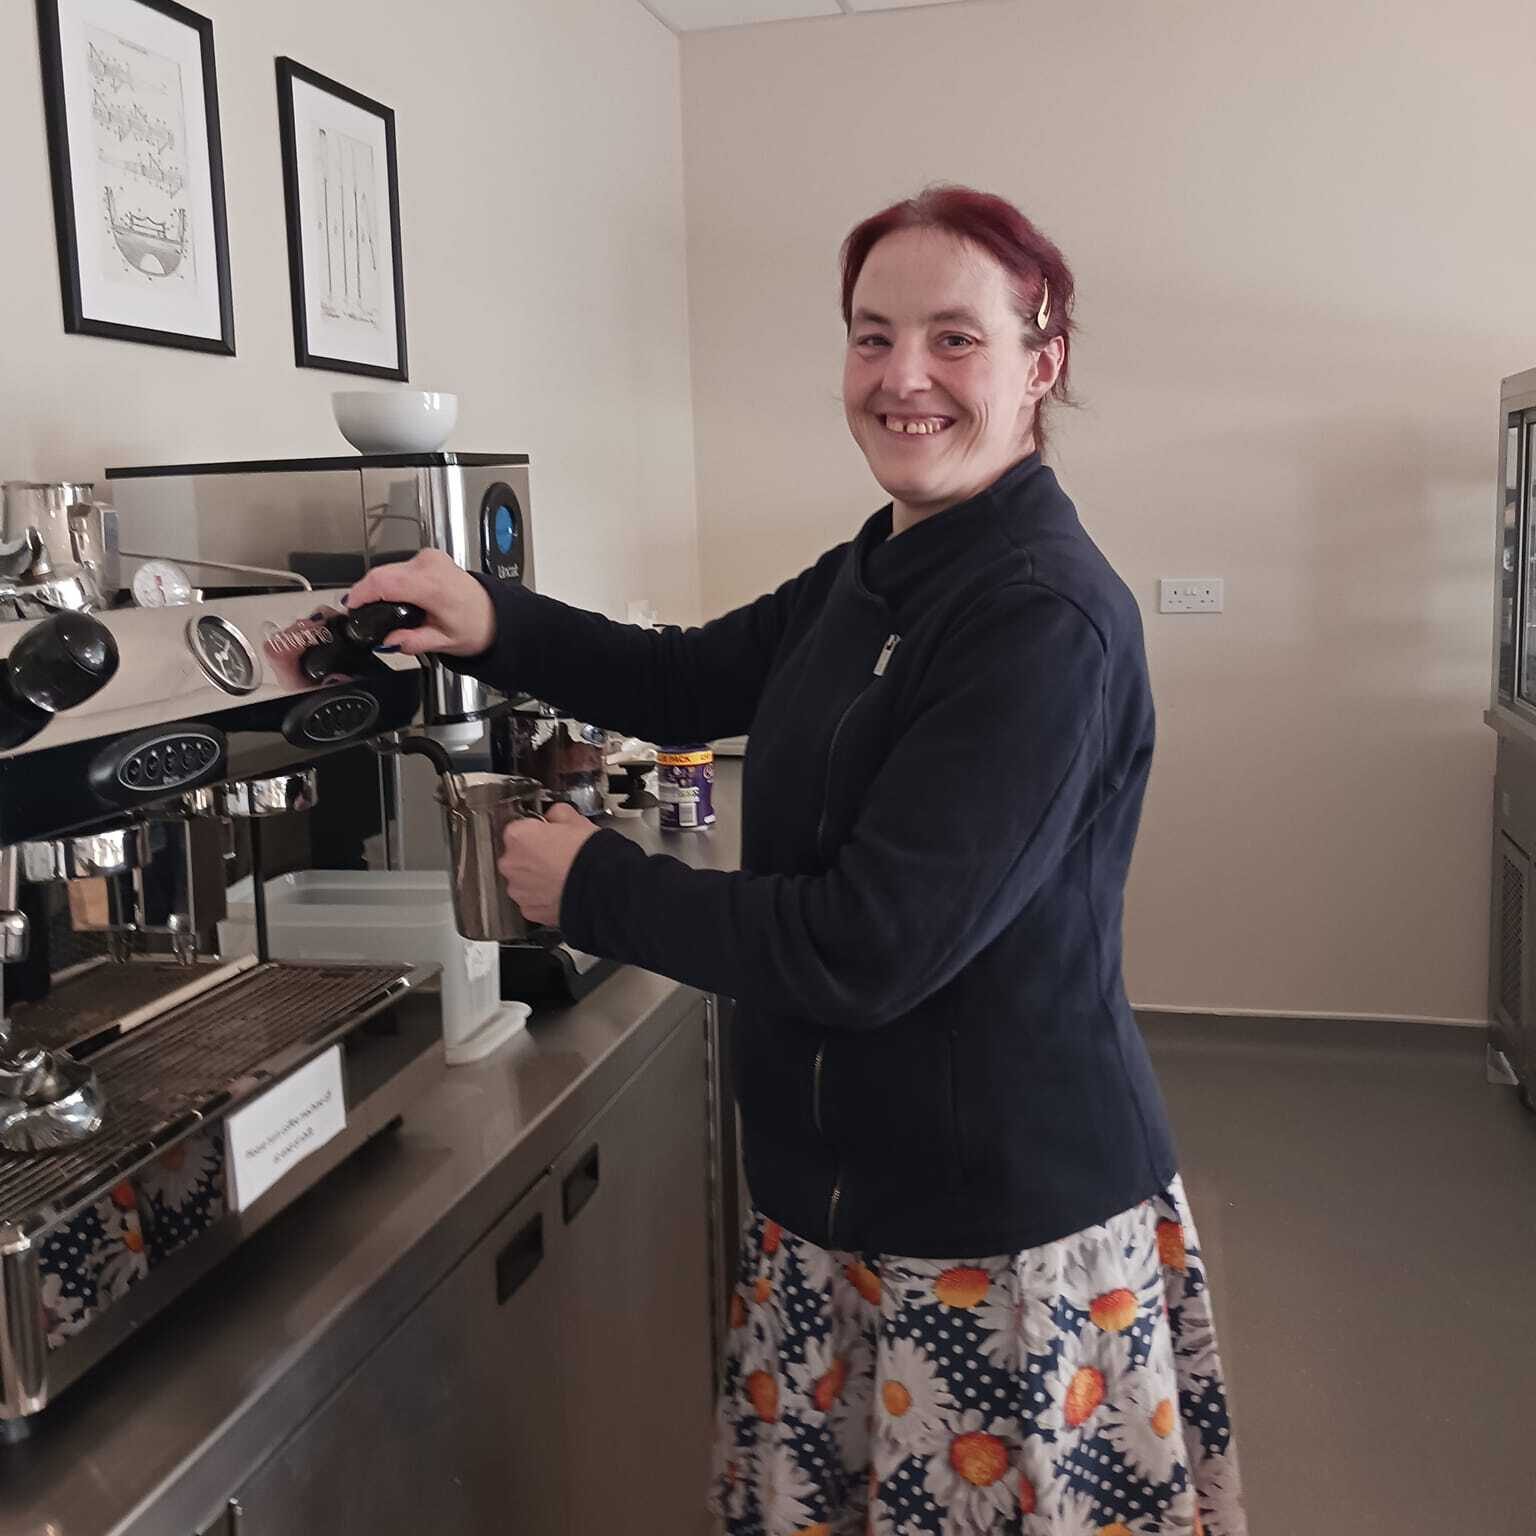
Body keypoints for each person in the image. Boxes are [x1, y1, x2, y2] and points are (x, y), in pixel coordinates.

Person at [346, 185, 1246, 1536]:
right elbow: (689, 673)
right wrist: (493, 619)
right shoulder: (881, 563)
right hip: (839, 1205)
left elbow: (862, 946)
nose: (903, 380)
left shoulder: (1041, 617)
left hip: (988, 1236)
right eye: (872, 336)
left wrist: (595, 886)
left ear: (1040, 360)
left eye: (954, 339)